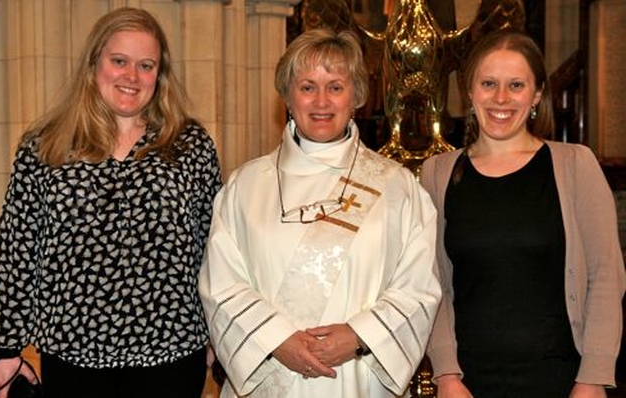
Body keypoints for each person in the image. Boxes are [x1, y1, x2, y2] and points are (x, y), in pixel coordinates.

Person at [0, 7, 221, 398]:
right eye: (119, 61)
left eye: (146, 65)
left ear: (159, 76)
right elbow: (16, 249)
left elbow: (215, 249)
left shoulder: (189, 145)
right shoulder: (46, 145)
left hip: (173, 351)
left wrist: (222, 335)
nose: (131, 76)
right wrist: (0, 350)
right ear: (94, 63)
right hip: (73, 353)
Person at [199, 28, 441, 397]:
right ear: (287, 96)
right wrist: (276, 339)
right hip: (271, 372)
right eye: (307, 86)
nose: (321, 101)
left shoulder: (398, 188)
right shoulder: (245, 186)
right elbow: (221, 284)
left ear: (356, 96)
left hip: (360, 377)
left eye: (336, 86)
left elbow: (418, 288)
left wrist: (360, 335)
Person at [420, 29, 626, 398]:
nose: (501, 98)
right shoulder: (436, 174)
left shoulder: (576, 166)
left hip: (561, 381)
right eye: (488, 83)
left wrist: (593, 378)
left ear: (537, 94)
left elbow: (605, 276)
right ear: (469, 92)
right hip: (468, 384)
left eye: (516, 85)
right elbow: (432, 284)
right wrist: (446, 375)